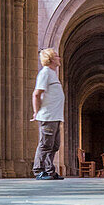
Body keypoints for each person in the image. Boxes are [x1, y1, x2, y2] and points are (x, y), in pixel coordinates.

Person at [32, 48, 65, 179]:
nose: (59, 58)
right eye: (57, 56)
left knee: (54, 145)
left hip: (55, 116)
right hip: (48, 116)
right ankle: (39, 170)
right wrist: (36, 112)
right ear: (51, 59)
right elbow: (36, 94)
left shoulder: (52, 74)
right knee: (45, 144)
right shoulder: (45, 73)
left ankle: (49, 170)